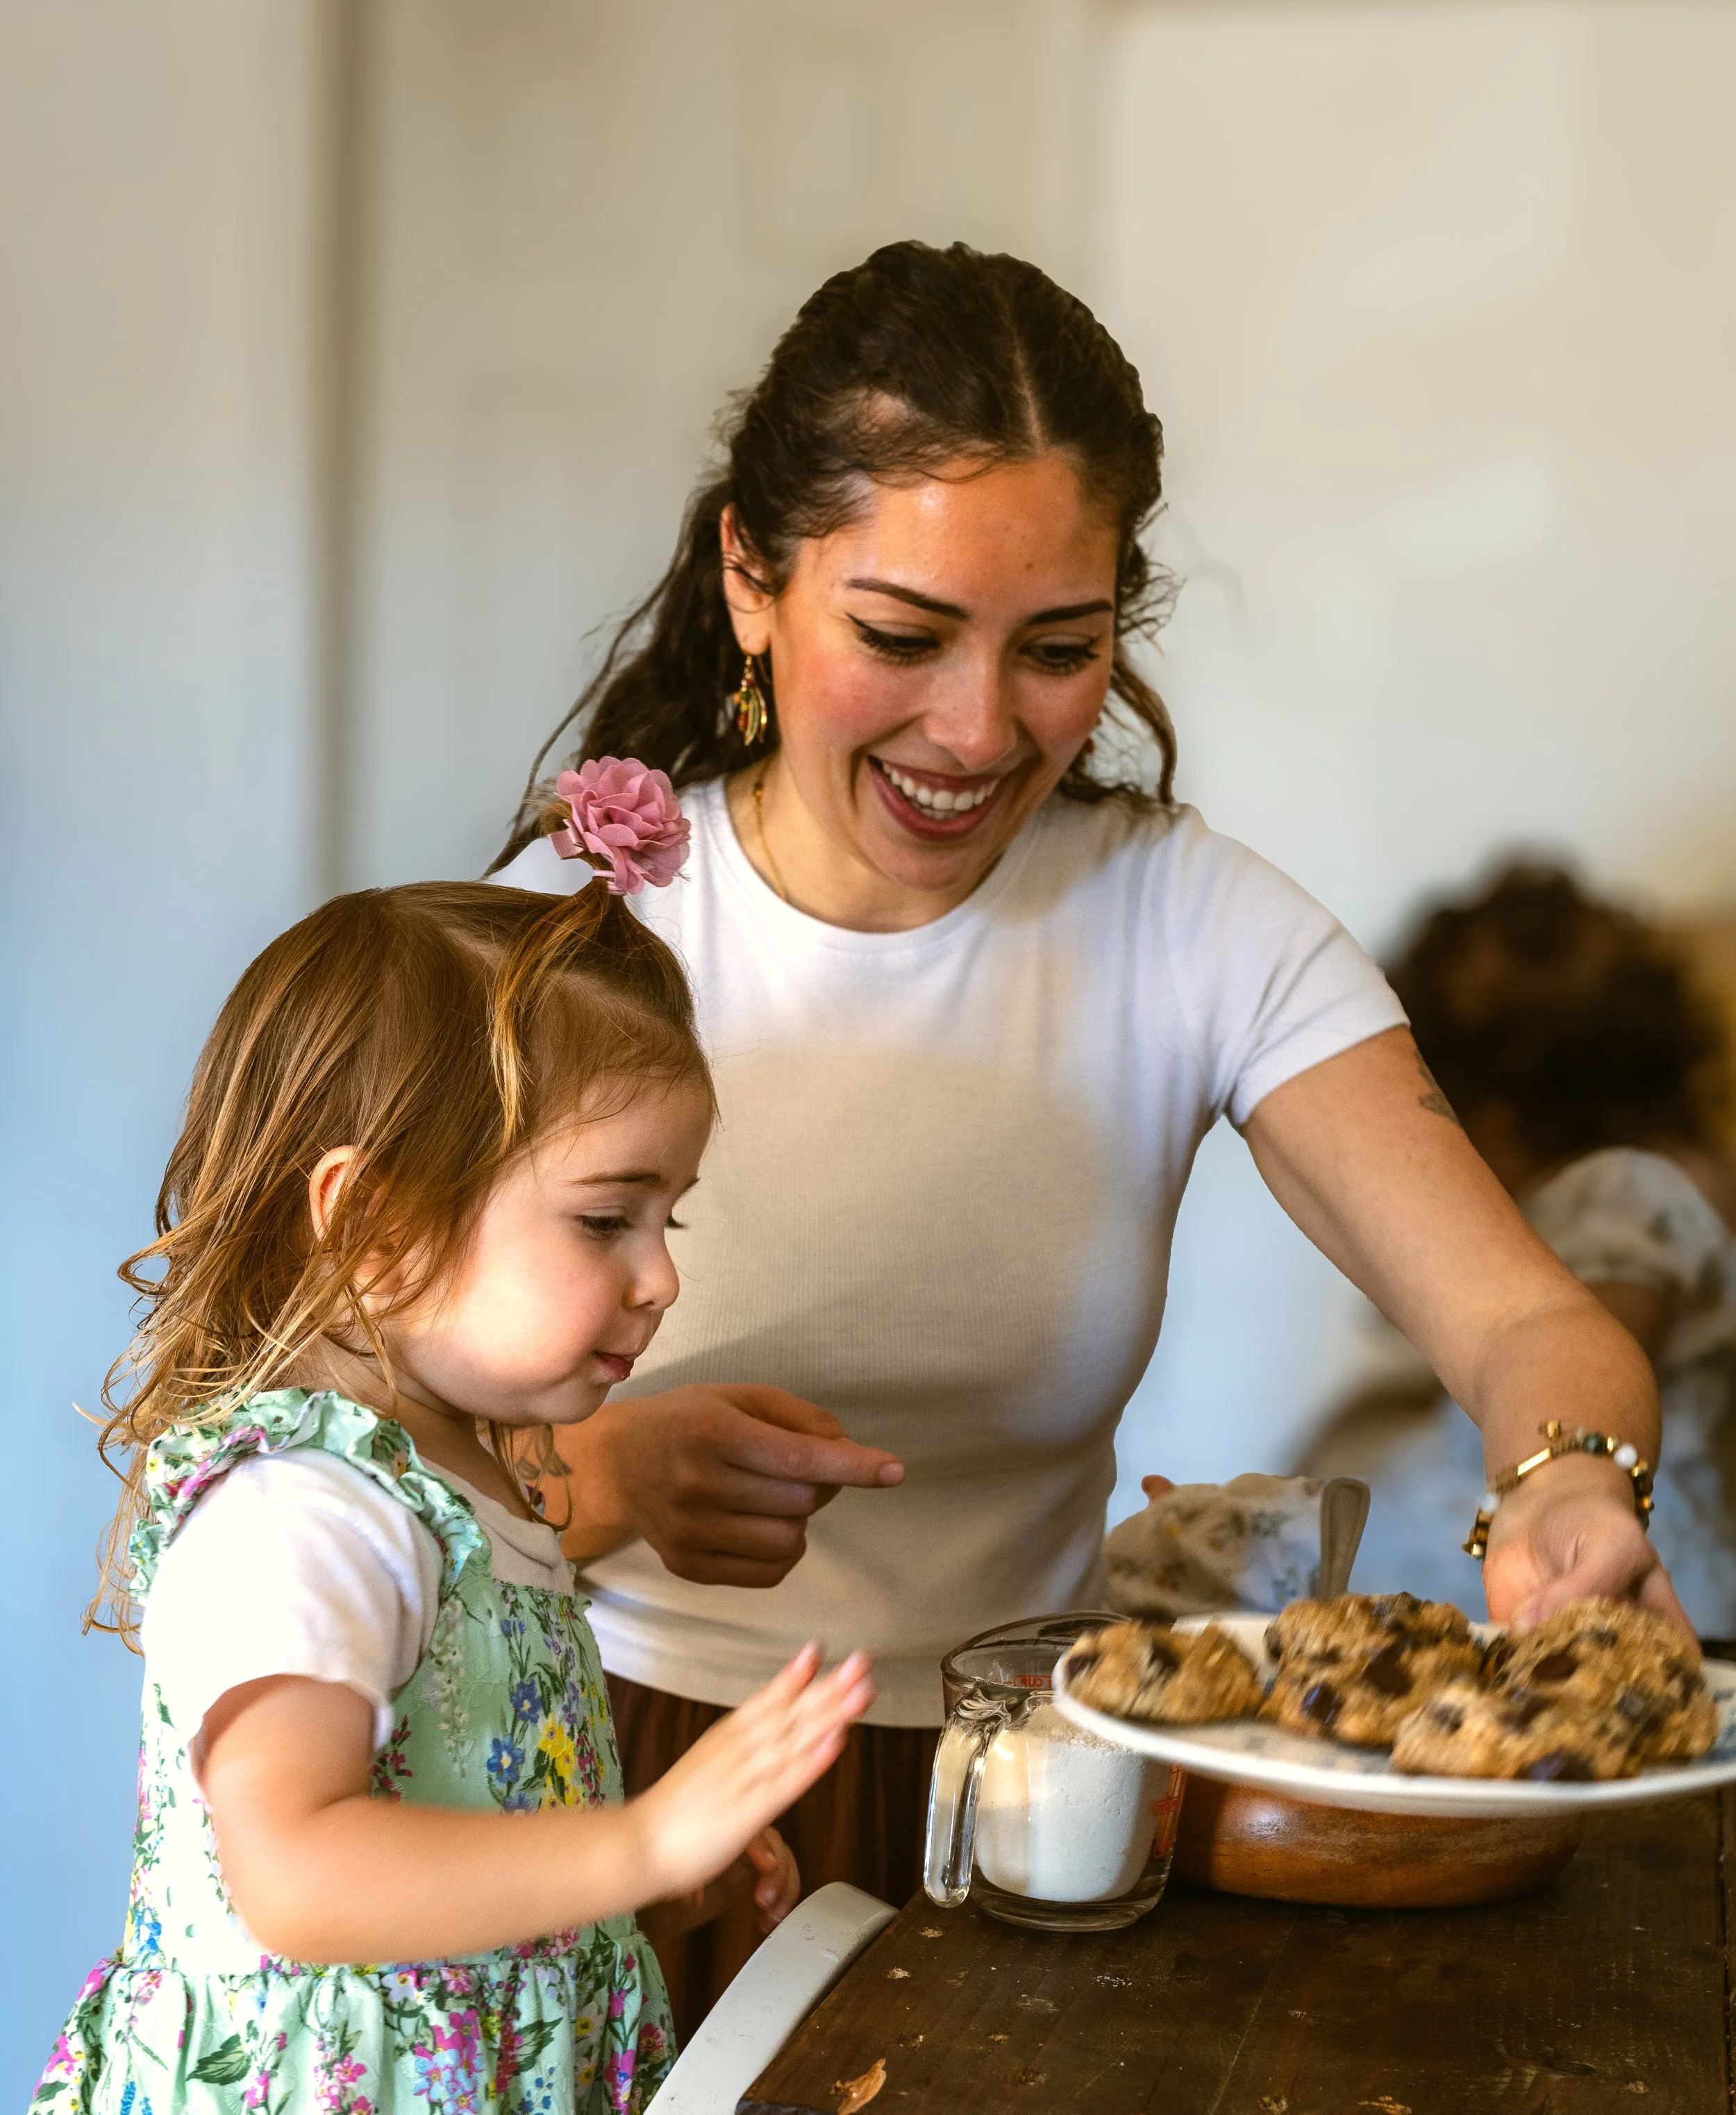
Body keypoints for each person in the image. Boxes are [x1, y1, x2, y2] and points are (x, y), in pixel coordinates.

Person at [490, 239, 1687, 2028]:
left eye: (1058, 649)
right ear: (751, 574)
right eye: (900, 636)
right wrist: (613, 1477)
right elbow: (323, 1460)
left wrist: (1573, 1478)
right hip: (606, 1783)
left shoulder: (1189, 923)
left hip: (1039, 1798)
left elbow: (1524, 1319)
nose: (977, 731)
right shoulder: (577, 934)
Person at [32, 824, 873, 2115]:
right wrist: (637, 1837)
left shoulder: (469, 1477)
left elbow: (453, 1779)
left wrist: (625, 1871)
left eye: (670, 1215)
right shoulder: (301, 1511)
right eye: (607, 1217)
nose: (662, 1277)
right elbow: (298, 1872)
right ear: (373, 1220)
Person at [1307, 863, 1736, 1634]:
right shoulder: (1649, 1177)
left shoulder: (1625, 1191)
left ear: (1495, 1116)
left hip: (1595, 1557)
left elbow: (1602, 1325)